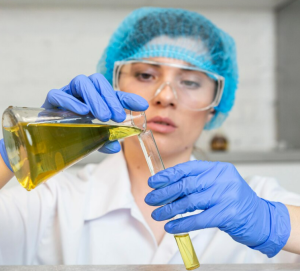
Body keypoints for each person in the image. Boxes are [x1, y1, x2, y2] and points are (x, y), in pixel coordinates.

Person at [0, 7, 299, 265]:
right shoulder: (51, 203)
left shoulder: (258, 200)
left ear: (214, 106)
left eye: (191, 82)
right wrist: (15, 151)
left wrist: (273, 222)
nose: (165, 97)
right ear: (113, 85)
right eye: (145, 75)